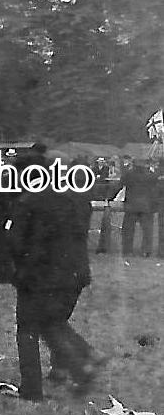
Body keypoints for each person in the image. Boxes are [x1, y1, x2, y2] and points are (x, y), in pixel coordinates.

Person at [8, 151, 104, 401]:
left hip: (40, 276)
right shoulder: (72, 197)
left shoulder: (28, 201)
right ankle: (84, 359)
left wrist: (19, 269)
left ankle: (33, 387)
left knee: (28, 328)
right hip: (74, 272)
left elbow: (18, 243)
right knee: (53, 322)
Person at [119, 158, 157, 257]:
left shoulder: (128, 174)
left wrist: (108, 197)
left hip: (131, 206)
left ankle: (128, 251)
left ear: (134, 164)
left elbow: (119, 185)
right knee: (147, 231)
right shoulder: (151, 175)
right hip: (146, 206)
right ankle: (146, 251)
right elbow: (156, 188)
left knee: (128, 230)